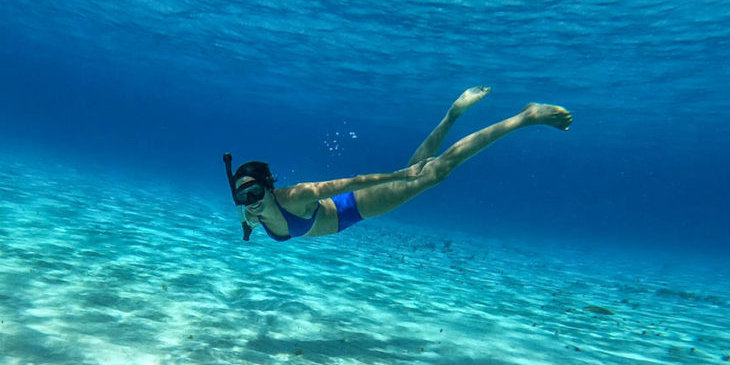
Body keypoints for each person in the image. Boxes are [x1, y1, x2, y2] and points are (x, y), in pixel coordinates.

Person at [225, 87, 572, 242]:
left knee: (432, 174)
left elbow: (352, 181)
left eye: (254, 191)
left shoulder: (296, 196)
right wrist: (247, 228)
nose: (250, 200)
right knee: (420, 168)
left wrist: (397, 176)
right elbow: (250, 221)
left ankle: (525, 117)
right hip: (339, 218)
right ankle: (452, 114)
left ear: (269, 186)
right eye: (243, 197)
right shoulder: (251, 213)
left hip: (350, 208)